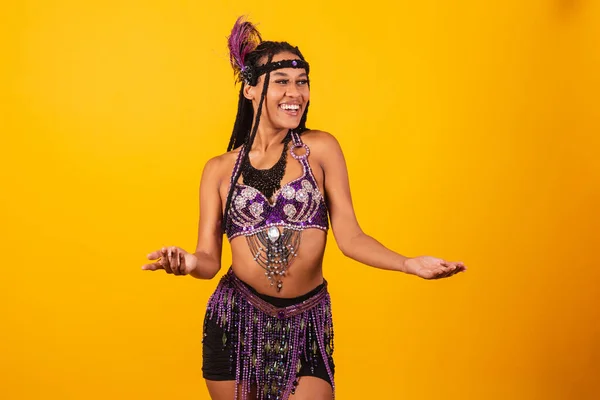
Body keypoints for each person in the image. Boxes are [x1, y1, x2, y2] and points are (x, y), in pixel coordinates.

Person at [142, 16, 467, 400]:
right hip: (235, 321)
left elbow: (350, 237)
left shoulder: (322, 149)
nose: (295, 92)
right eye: (281, 82)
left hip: (306, 321)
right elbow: (209, 259)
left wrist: (408, 263)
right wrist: (187, 263)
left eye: (301, 82)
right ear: (250, 88)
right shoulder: (218, 170)